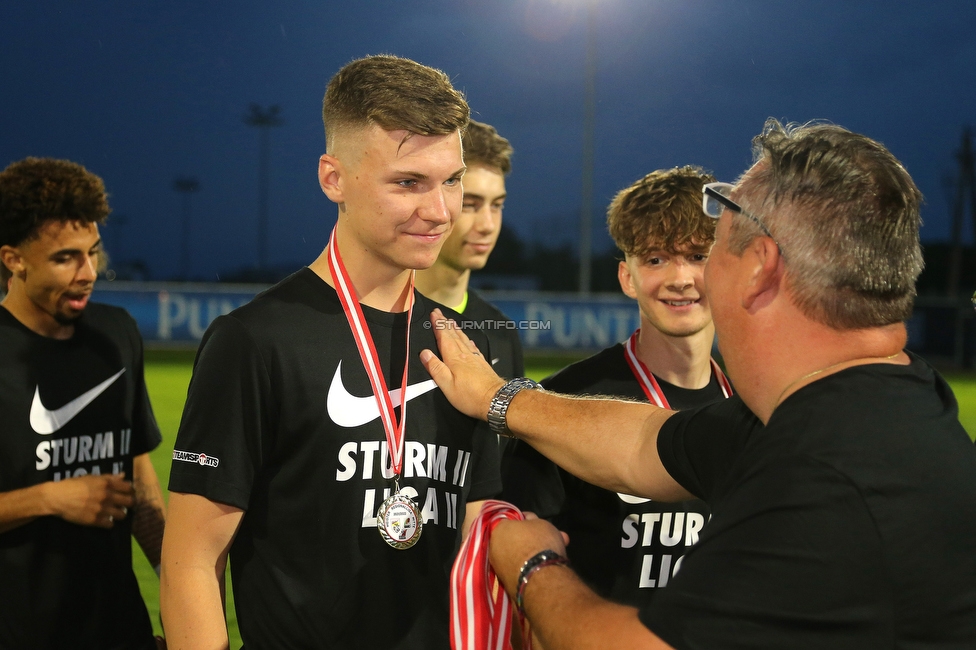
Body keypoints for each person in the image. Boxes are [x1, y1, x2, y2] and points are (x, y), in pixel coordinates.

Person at [420, 120, 976, 648]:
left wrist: (535, 568)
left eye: (711, 252)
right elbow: (647, 443)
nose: (690, 277)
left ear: (758, 266)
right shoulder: (890, 404)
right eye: (661, 258)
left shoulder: (822, 475)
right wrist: (503, 400)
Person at [160, 55, 501, 649]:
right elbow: (192, 559)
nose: (440, 210)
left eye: (450, 180)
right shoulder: (254, 341)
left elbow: (481, 527)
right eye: (408, 182)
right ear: (333, 178)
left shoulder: (474, 344)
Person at [501, 166, 731, 608]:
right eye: (656, 259)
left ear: (725, 267)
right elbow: (521, 555)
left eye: (698, 256)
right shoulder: (562, 403)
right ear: (627, 277)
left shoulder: (750, 401)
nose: (680, 278)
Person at [0, 157, 167, 650]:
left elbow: (140, 479)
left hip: (120, 628)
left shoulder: (116, 334)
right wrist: (49, 497)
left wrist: (177, 589)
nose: (88, 273)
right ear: (14, 259)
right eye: (65, 258)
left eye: (93, 252)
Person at [415, 119, 524, 383]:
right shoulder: (377, 319)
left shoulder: (502, 333)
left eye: (496, 205)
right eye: (470, 204)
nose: (488, 225)